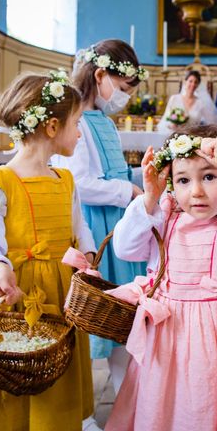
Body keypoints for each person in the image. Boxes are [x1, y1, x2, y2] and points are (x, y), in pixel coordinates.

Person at [104, 125, 217, 430]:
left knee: (211, 400)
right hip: (166, 333)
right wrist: (149, 198)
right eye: (183, 180)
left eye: (210, 176)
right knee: (163, 401)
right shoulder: (164, 216)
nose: (196, 191)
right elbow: (124, 247)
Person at [0, 70, 98, 431]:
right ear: (52, 127)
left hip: (61, 292)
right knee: (13, 374)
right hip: (14, 292)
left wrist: (88, 254)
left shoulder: (65, 180)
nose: (81, 133)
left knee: (54, 372)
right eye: (77, 123)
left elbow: (79, 228)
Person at [51, 39, 148, 398]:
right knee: (96, 318)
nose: (124, 97)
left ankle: (127, 399)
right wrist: (131, 192)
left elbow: (114, 171)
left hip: (117, 223)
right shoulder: (77, 120)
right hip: (96, 226)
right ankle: (85, 410)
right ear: (101, 74)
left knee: (121, 315)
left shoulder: (102, 120)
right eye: (122, 89)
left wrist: (141, 178)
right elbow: (82, 184)